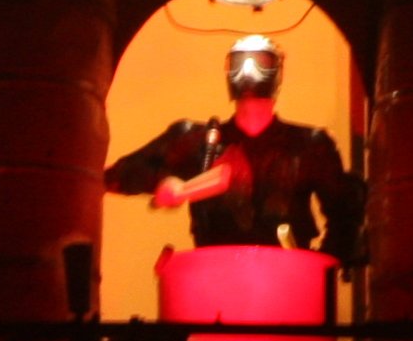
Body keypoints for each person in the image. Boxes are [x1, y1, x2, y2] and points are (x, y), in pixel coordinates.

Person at [104, 33, 367, 259]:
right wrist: (163, 181)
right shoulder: (196, 141)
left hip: (288, 278)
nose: (249, 71)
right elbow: (118, 175)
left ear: (276, 72)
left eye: (262, 62)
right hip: (215, 273)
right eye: (239, 62)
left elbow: (345, 213)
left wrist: (320, 267)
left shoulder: (308, 145)